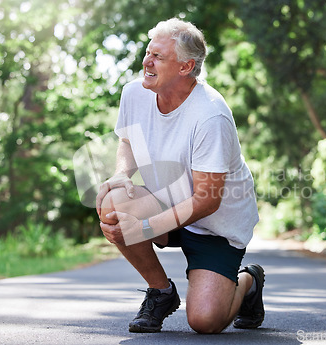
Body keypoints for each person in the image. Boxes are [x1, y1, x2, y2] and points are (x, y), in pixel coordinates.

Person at [95, 17, 264, 334]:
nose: (147, 61)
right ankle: (161, 292)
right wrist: (121, 174)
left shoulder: (211, 115)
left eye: (158, 56)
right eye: (148, 52)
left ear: (186, 67)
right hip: (168, 204)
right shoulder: (134, 94)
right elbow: (127, 140)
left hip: (215, 226)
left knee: (206, 322)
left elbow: (207, 200)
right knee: (113, 203)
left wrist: (144, 227)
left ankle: (248, 282)